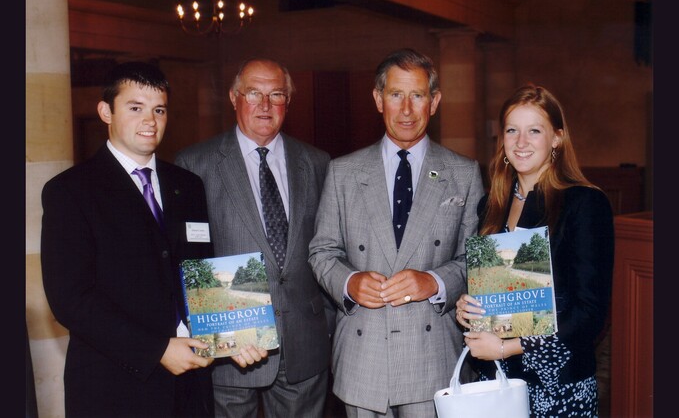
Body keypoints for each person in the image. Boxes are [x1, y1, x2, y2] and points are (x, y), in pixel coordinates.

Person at [308, 48, 485, 417]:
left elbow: (476, 258)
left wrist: (435, 282)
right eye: (395, 95)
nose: (406, 110)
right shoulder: (343, 171)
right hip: (363, 357)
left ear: (434, 102)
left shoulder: (464, 173)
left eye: (417, 95)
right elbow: (322, 251)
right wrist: (349, 282)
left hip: (432, 356)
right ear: (378, 99)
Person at [41, 61, 218, 417]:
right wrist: (157, 350)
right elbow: (70, 299)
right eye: (135, 108)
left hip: (190, 386)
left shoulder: (189, 186)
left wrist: (236, 337)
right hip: (115, 387)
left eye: (159, 110)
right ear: (106, 111)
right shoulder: (71, 191)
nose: (150, 121)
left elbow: (202, 274)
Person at [175, 57, 333, 418]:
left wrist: (328, 325)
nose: (265, 105)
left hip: (304, 344)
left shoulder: (318, 163)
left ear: (287, 102)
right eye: (254, 93)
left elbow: (329, 246)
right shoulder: (194, 165)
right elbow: (186, 259)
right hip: (230, 347)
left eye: (276, 94)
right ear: (234, 97)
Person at [455, 83, 615, 417]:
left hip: (558, 387)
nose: (521, 142)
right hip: (496, 383)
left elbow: (590, 313)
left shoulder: (584, 203)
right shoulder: (491, 206)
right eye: (512, 130)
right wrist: (470, 308)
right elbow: (498, 294)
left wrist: (507, 347)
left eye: (534, 131)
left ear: (557, 138)